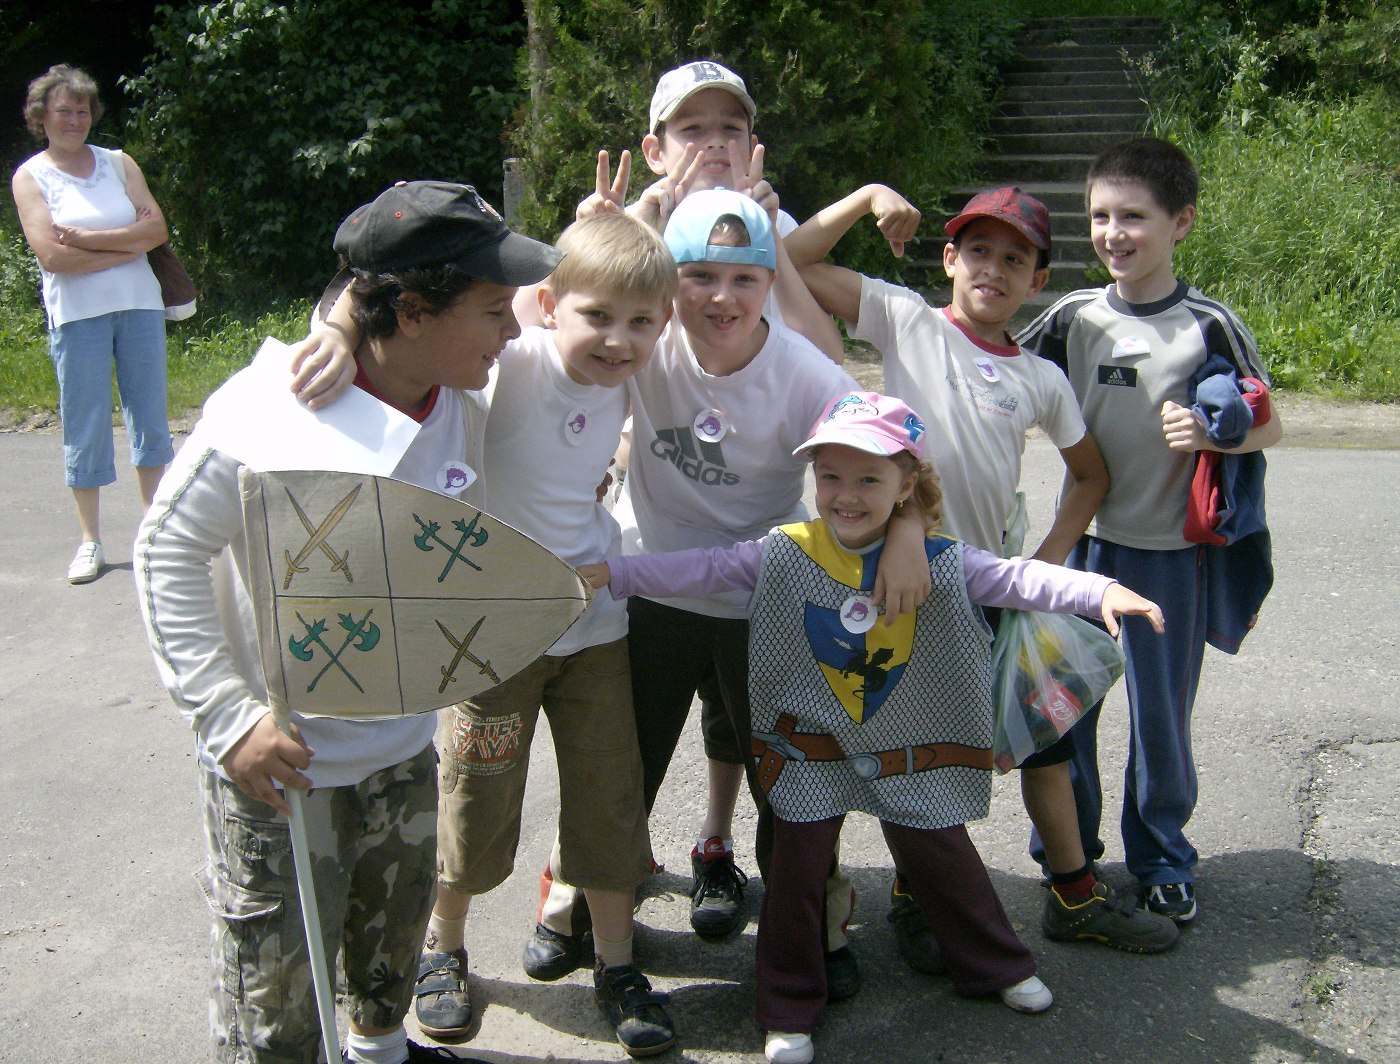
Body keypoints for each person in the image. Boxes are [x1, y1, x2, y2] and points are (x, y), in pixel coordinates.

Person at [576, 391, 1167, 1064]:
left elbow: (1017, 579)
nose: (845, 495)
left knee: (943, 857)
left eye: (868, 479)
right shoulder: (783, 551)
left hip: (908, 746)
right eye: (830, 476)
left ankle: (999, 965)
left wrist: (1100, 592)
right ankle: (788, 1006)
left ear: (905, 484)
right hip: (809, 752)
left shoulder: (943, 559)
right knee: (796, 873)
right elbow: (700, 568)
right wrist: (617, 574)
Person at [135, 180, 561, 1064]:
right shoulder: (267, 410)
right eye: (492, 310)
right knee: (275, 1008)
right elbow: (163, 553)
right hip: (278, 772)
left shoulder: (466, 400)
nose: (512, 331)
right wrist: (226, 720)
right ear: (411, 310)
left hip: (401, 754)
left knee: (384, 964)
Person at [533, 62, 929, 992]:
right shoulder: (646, 338)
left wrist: (906, 528)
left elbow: (888, 450)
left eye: (743, 278)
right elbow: (541, 331)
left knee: (789, 779)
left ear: (768, 278)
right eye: (697, 277)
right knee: (615, 766)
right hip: (652, 582)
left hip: (766, 596)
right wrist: (593, 236)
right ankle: (571, 900)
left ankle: (818, 920)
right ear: (668, 283)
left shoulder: (800, 370)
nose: (719, 298)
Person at [786, 185, 1180, 956]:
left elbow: (1090, 476)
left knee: (1047, 743)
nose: (992, 270)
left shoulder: (1040, 379)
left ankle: (1074, 894)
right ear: (948, 259)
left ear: (1037, 283)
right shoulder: (905, 318)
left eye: (1014, 259)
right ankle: (916, 896)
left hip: (992, 587)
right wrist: (868, 198)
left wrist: (1044, 565)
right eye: (977, 251)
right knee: (921, 753)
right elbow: (791, 261)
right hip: (904, 589)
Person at [409, 211, 681, 1057]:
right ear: (549, 304)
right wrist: (336, 327)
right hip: (492, 637)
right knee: (474, 793)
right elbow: (414, 341)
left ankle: (616, 963)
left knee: (608, 795)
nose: (618, 339)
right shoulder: (507, 365)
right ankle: (441, 948)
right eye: (597, 316)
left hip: (595, 629)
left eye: (641, 323)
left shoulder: (634, 378)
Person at [1015, 137, 1282, 925]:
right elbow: (998, 370)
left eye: (1134, 216)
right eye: (1100, 216)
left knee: (1160, 718)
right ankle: (1070, 856)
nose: (1114, 233)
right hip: (1086, 552)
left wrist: (1218, 434)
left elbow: (1271, 424)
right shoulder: (1073, 316)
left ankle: (1163, 857)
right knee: (1069, 711)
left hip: (1172, 558)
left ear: (1182, 223)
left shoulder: (1211, 324)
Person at [12, 63, 175, 584]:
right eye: (64, 110)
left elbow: (157, 229)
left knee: (149, 417)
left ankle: (155, 533)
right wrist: (126, 245)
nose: (75, 119)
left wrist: (86, 239)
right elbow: (52, 258)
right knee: (85, 422)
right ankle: (90, 541)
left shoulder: (118, 162)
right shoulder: (31, 175)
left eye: (82, 110)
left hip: (140, 304)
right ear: (42, 116)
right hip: (77, 314)